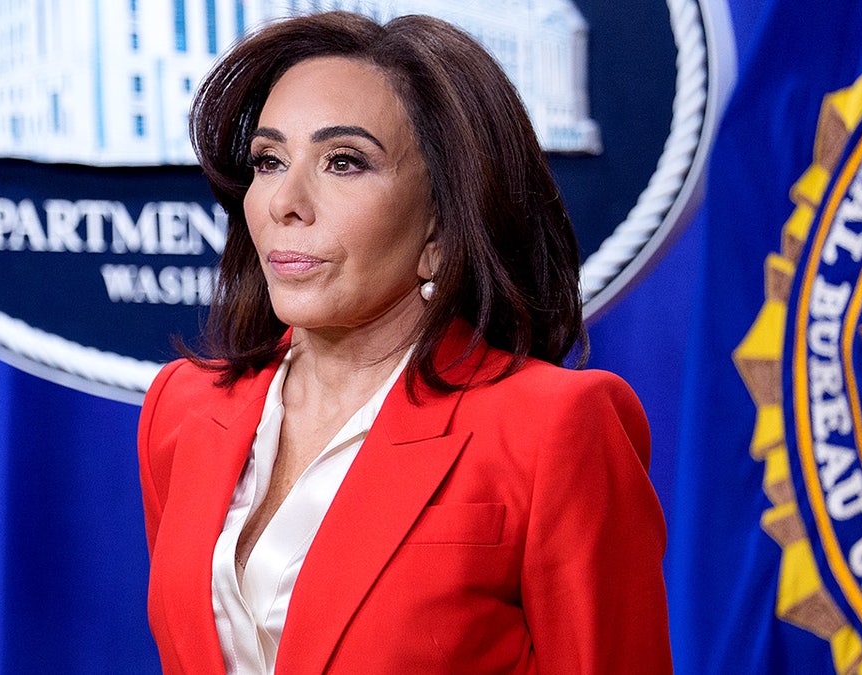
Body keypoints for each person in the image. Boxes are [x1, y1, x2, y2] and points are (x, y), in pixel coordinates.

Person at [137, 11, 671, 674]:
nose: (284, 202)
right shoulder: (182, 408)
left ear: (442, 225)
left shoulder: (555, 428)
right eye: (269, 161)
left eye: (344, 162)